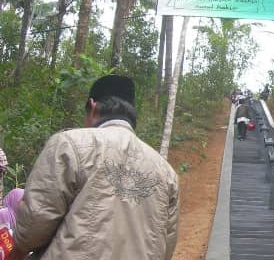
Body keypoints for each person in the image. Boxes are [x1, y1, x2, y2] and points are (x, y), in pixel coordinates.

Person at [10, 75, 179, 260]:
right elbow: (166, 247)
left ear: (92, 106)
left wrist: (17, 251)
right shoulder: (166, 173)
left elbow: (36, 222)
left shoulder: (69, 144)